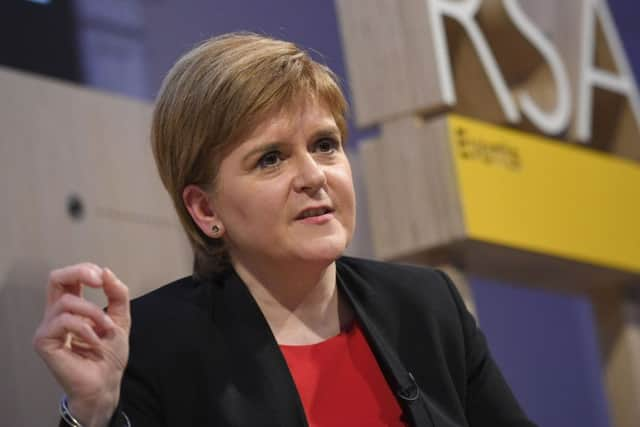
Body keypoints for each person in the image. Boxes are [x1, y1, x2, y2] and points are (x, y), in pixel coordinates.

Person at [33, 32, 537, 427]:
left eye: (325, 144)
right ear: (205, 208)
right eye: (271, 159)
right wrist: (91, 412)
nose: (315, 176)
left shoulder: (426, 306)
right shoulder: (152, 346)